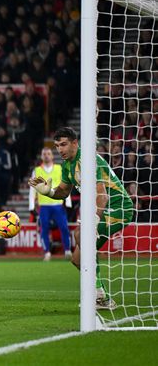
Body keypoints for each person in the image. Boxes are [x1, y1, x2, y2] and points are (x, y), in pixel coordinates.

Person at [29, 127, 134, 310]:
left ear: (75, 143)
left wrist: (93, 221)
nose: (60, 149)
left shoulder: (88, 160)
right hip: (102, 209)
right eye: (57, 146)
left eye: (64, 144)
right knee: (77, 259)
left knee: (80, 235)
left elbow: (103, 196)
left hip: (119, 208)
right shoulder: (68, 165)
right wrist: (48, 191)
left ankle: (99, 296)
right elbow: (63, 191)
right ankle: (102, 297)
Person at [28, 147, 73, 261]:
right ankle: (47, 253)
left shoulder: (59, 168)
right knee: (44, 229)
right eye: (44, 154)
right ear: (42, 157)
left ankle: (67, 251)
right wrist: (31, 206)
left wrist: (68, 202)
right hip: (44, 206)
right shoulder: (37, 170)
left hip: (58, 204)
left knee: (64, 228)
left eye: (48, 153)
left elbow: (66, 185)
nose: (46, 156)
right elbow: (32, 189)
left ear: (52, 156)